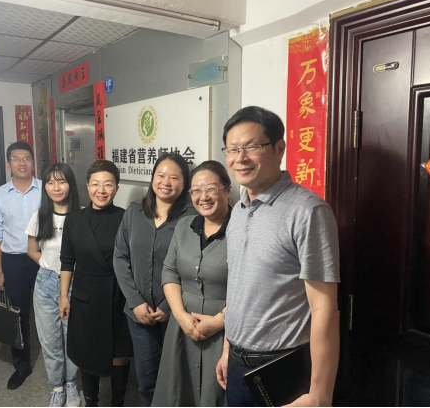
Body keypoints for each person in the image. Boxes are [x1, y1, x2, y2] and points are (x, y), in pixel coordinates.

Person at [215, 106, 341, 407]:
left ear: (279, 148)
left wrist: (320, 394)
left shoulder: (307, 211)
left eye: (251, 147)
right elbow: (240, 288)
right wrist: (227, 349)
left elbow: (324, 308)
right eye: (232, 149)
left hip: (280, 368)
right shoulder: (239, 209)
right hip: (237, 362)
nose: (240, 158)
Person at [114, 153, 197, 407]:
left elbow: (195, 267)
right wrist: (135, 302)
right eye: (160, 175)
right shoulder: (134, 212)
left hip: (179, 313)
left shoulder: (193, 217)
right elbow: (120, 257)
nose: (166, 182)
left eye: (174, 177)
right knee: (147, 380)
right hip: (139, 314)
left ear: (185, 183)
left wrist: (169, 306)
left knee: (178, 377)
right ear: (152, 179)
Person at [153, 161, 232, 407]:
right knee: (179, 392)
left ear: (227, 190)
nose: (203, 197)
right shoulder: (184, 226)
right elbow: (170, 271)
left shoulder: (242, 230)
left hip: (225, 332)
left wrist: (219, 321)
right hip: (182, 328)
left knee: (215, 393)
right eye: (196, 191)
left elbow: (251, 287)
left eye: (210, 189)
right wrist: (180, 316)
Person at [59, 160, 133, 408]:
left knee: (119, 353)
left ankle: (118, 402)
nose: (101, 190)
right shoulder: (74, 219)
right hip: (84, 296)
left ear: (117, 188)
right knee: (87, 352)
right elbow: (67, 260)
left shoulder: (126, 218)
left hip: (117, 295)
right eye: (96, 184)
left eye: (108, 184)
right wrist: (64, 296)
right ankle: (91, 401)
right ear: (88, 187)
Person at [26, 163, 82, 407]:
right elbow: (31, 250)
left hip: (75, 284)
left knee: (73, 338)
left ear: (71, 185)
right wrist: (48, 265)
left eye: (61, 181)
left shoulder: (82, 215)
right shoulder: (40, 216)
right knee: (50, 341)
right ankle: (57, 387)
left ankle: (72, 384)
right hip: (45, 284)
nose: (56, 187)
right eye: (50, 182)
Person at [0, 142, 42, 390]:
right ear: (8, 164)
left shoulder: (45, 189)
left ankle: (61, 362)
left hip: (42, 259)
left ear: (33, 162)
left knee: (51, 311)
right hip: (13, 262)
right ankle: (22, 366)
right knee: (17, 315)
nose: (22, 163)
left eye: (27, 158)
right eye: (16, 159)